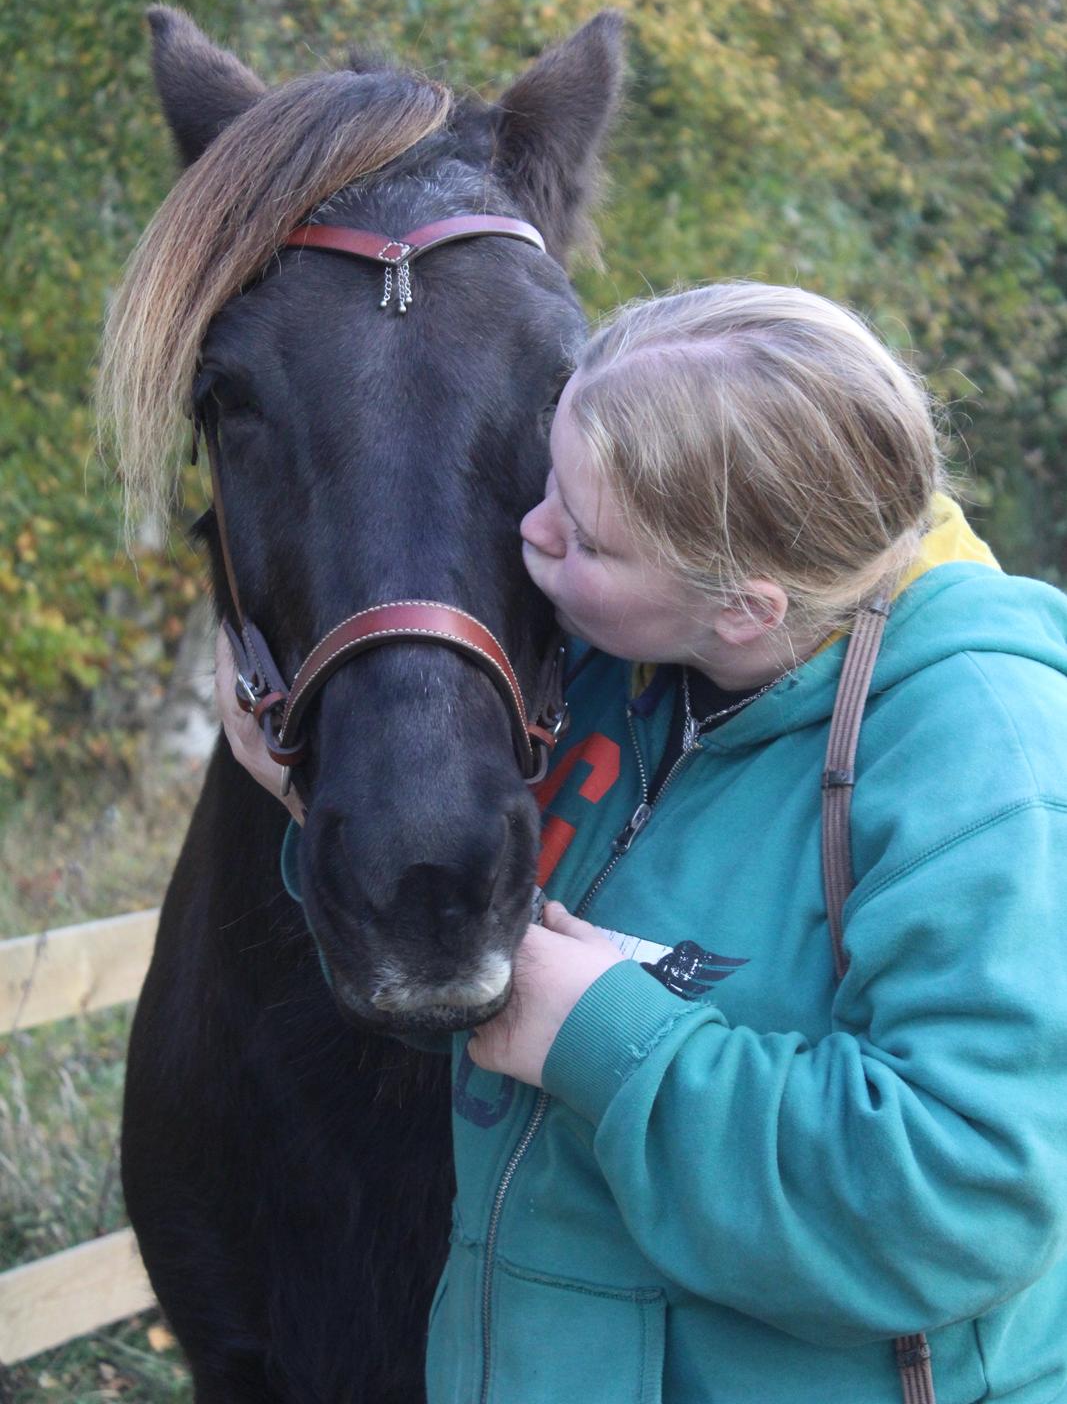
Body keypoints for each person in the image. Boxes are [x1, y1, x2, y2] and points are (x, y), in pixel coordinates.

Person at [218, 281, 1067, 1403]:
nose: (532, 532)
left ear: (745, 606)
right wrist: (307, 804)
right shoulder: (619, 677)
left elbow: (957, 1200)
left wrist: (594, 1032)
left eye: (586, 534)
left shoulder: (983, 756)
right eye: (546, 480)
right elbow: (484, 1005)